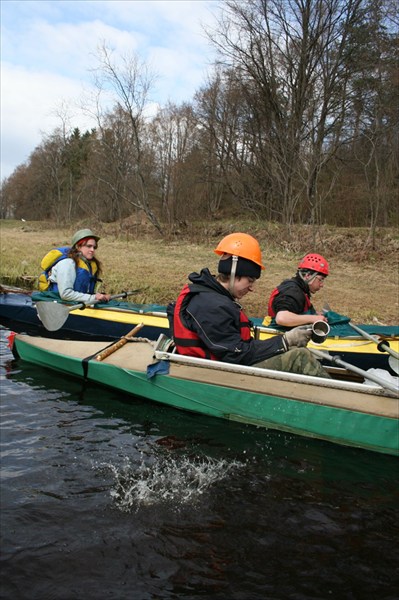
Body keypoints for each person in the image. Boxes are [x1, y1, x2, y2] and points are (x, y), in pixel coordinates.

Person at [167, 233, 330, 378]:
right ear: (233, 274)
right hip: (217, 375)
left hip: (227, 363)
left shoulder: (214, 297)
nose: (252, 288)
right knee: (299, 357)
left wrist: (283, 343)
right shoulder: (211, 305)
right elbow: (236, 354)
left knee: (294, 352)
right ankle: (337, 402)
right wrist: (284, 342)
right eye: (249, 281)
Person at [39, 228, 111, 304]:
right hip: (58, 303)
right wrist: (93, 298)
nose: (92, 250)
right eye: (89, 246)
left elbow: (84, 292)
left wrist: (100, 296)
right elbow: (65, 294)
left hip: (74, 302)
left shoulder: (87, 263)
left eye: (94, 247)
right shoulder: (67, 263)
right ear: (78, 247)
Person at [266, 253, 329, 328]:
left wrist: (315, 315)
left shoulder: (300, 289)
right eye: (320, 280)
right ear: (308, 276)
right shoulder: (292, 291)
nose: (322, 285)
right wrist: (313, 318)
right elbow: (281, 318)